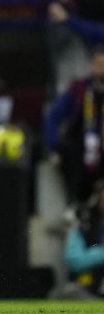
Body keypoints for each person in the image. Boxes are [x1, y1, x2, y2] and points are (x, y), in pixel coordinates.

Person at [45, 45, 104, 203]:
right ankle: (76, 206)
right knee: (71, 152)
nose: (99, 68)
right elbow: (53, 117)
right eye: (97, 64)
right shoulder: (80, 88)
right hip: (81, 150)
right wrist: (54, 147)